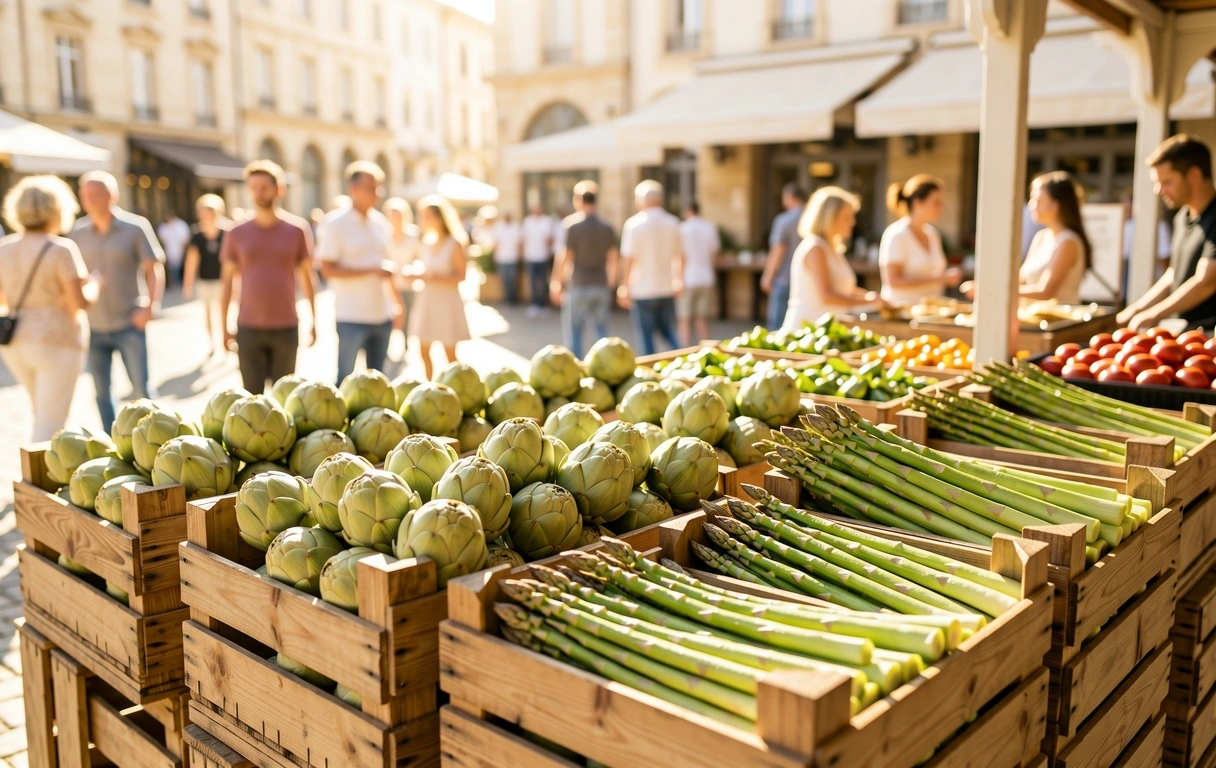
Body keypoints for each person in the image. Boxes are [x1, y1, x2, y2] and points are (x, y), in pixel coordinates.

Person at [0, 177, 99, 441]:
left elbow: (2, 299)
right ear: (58, 209)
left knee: (42, 415)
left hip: (15, 342)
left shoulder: (4, 248)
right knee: (50, 424)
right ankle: (37, 480)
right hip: (57, 341)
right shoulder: (61, 249)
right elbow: (78, 304)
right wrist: (96, 285)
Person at [69, 171, 165, 432]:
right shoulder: (76, 232)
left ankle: (154, 438)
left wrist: (150, 307)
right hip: (93, 326)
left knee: (141, 389)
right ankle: (113, 441)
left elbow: (153, 268)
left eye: (95, 194)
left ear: (112, 196)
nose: (88, 200)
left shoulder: (135, 227)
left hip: (129, 322)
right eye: (84, 195)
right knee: (101, 393)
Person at [220, 160, 318, 393]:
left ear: (279, 190)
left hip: (286, 326)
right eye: (253, 187)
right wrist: (222, 326)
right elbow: (227, 282)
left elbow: (307, 277)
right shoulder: (236, 232)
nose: (258, 193)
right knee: (251, 402)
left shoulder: (297, 229)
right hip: (248, 327)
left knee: (284, 399)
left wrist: (315, 320)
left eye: (264, 187)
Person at [317, 161, 403, 383]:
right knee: (345, 380)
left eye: (378, 187)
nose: (378, 193)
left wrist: (396, 303)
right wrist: (371, 270)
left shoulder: (380, 223)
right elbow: (327, 270)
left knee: (378, 383)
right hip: (350, 316)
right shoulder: (335, 224)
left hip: (381, 316)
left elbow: (386, 267)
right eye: (371, 188)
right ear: (354, 190)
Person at [1120, 135, 1216, 331]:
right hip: (1190, 333)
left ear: (1194, 175)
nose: (1158, 190)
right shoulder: (1183, 217)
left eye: (1166, 182)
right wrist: (1137, 308)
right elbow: (1175, 272)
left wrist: (1154, 314)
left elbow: (1206, 281)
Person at [783, 186, 880, 330]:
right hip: (807, 333)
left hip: (827, 331)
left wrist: (874, 298)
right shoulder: (816, 248)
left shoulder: (832, 247)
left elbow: (845, 288)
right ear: (829, 218)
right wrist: (870, 301)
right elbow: (827, 295)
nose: (853, 222)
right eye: (846, 217)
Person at [408, 194, 471, 380]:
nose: (422, 220)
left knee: (450, 356)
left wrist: (431, 276)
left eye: (426, 216)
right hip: (427, 300)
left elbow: (461, 276)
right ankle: (430, 388)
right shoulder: (426, 242)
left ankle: (461, 388)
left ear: (439, 217)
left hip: (447, 303)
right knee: (423, 351)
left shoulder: (454, 243)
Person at [550, 188, 617, 358]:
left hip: (579, 284)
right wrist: (611, 282)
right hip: (600, 283)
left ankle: (577, 370)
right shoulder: (607, 227)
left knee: (574, 332)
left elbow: (564, 257)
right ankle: (606, 364)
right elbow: (614, 258)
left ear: (579, 200)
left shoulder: (572, 226)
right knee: (601, 333)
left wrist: (556, 282)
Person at [619, 180, 683, 355]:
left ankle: (650, 370)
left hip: (642, 289)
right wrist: (679, 279)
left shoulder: (634, 225)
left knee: (645, 335)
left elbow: (628, 259)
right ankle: (683, 358)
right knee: (668, 331)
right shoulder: (673, 222)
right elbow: (680, 255)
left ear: (641, 200)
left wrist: (624, 286)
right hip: (666, 286)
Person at [879, 175, 961, 305]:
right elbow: (893, 280)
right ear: (918, 203)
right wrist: (940, 278)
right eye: (936, 203)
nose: (941, 208)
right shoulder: (897, 234)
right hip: (901, 314)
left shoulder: (932, 234)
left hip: (930, 314)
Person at [1019, 172, 1091, 304]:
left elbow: (1046, 292)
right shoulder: (1041, 237)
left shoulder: (1068, 241)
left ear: (1055, 205)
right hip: (1035, 319)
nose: (1031, 205)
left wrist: (997, 290)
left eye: (1038, 200)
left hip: (1059, 322)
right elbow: (1020, 279)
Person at [183, 194, 229, 355]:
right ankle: (212, 341)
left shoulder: (227, 232)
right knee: (208, 313)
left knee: (225, 311)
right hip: (205, 280)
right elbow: (191, 261)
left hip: (223, 281)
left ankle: (226, 338)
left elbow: (231, 261)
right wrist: (187, 284)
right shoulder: (197, 235)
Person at [760, 183, 808, 330]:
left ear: (789, 197)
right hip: (806, 280)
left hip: (784, 279)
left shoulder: (784, 221)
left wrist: (768, 276)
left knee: (777, 325)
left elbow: (777, 251)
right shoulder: (812, 219)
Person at [678, 201, 720, 346]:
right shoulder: (709, 228)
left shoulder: (682, 229)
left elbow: (680, 256)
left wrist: (678, 278)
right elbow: (715, 254)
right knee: (702, 318)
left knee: (684, 319)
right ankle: (706, 349)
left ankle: (682, 350)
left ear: (687, 211)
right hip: (706, 277)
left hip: (687, 278)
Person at [384, 197, 420, 358]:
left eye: (397, 214)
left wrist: (413, 269)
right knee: (392, 315)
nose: (395, 218)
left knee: (408, 314)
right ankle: (387, 344)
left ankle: (406, 343)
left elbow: (420, 257)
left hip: (408, 283)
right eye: (392, 215)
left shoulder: (413, 234)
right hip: (389, 283)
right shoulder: (383, 235)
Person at [522, 203, 554, 317]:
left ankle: (543, 304)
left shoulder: (546, 221)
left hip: (543, 256)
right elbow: (524, 239)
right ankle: (535, 304)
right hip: (530, 256)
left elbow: (550, 238)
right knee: (532, 281)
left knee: (543, 280)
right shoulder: (527, 221)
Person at [491, 210, 522, 305]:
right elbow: (496, 243)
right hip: (502, 257)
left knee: (512, 278)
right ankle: (507, 298)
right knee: (504, 279)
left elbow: (519, 242)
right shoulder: (499, 227)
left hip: (512, 257)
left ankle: (513, 298)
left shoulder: (515, 226)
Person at [157, 210, 191, 288]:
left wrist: (184, 248)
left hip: (180, 249)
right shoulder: (164, 227)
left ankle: (183, 282)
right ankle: (175, 283)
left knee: (182, 266)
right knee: (172, 267)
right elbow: (162, 238)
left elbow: (185, 238)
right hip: (170, 249)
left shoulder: (180, 225)